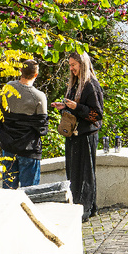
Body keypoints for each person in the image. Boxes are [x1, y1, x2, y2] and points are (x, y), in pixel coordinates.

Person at [51, 51, 104, 221]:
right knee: (74, 173)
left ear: (82, 64)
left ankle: (84, 210)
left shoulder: (91, 85)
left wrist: (76, 107)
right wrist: (64, 107)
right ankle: (89, 207)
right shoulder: (74, 85)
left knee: (84, 173)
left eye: (73, 65)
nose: (71, 68)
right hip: (73, 135)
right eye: (70, 65)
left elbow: (97, 115)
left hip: (86, 135)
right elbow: (76, 109)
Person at [0, 59, 48, 189]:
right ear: (36, 75)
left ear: (20, 71)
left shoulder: (8, 87)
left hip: (8, 145)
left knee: (8, 190)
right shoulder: (39, 96)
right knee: (30, 191)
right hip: (29, 148)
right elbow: (42, 126)